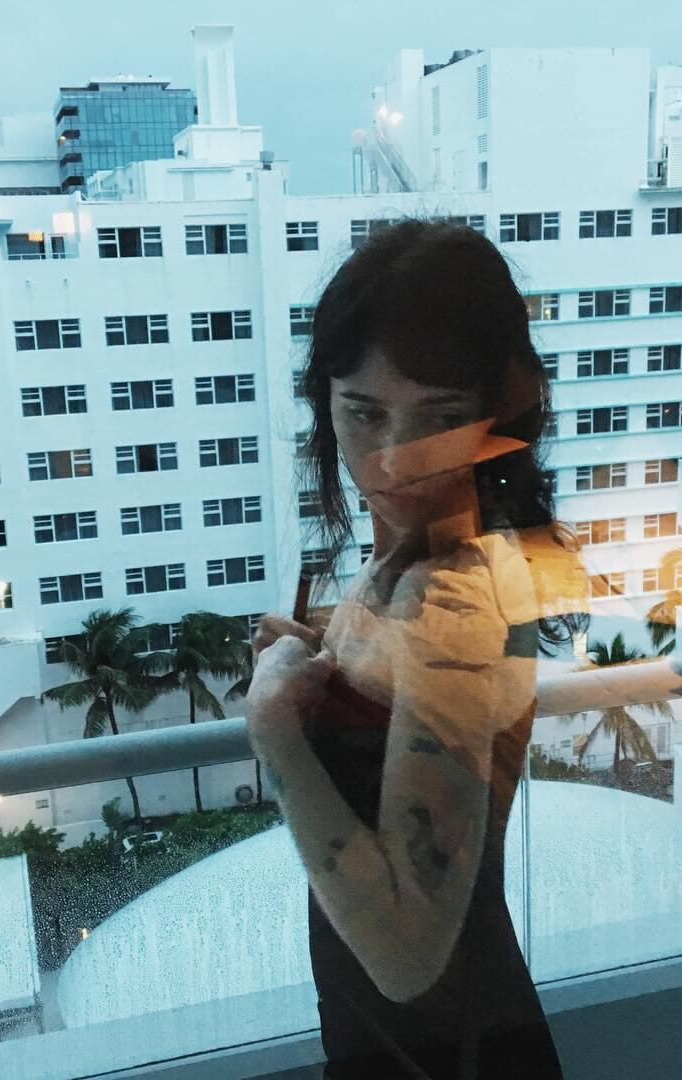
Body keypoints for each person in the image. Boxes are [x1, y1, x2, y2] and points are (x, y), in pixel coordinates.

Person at [247, 218, 588, 1079]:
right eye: (364, 413)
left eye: (441, 416)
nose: (396, 460)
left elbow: (404, 959)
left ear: (498, 419)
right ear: (325, 405)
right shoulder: (416, 560)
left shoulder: (451, 600)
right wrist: (325, 659)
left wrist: (275, 731)